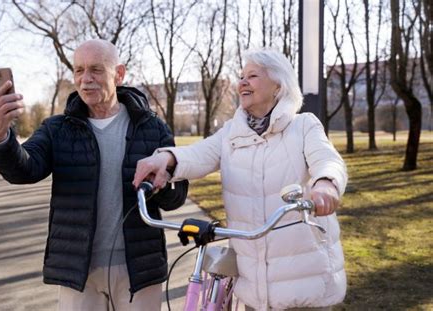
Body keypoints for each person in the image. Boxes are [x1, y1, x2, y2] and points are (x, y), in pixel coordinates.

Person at [133, 49, 348, 311]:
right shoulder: (232, 133)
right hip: (253, 283)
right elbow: (199, 154)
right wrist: (165, 158)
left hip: (304, 280)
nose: (242, 82)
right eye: (241, 76)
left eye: (253, 76)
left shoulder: (303, 127)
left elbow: (327, 160)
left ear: (278, 85)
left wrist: (325, 183)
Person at [0, 39, 188, 311]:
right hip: (78, 272)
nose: (85, 79)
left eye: (95, 69)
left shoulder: (151, 127)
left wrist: (164, 183)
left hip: (139, 271)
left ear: (119, 74)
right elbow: (24, 170)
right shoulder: (57, 129)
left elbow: (176, 197)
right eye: (78, 70)